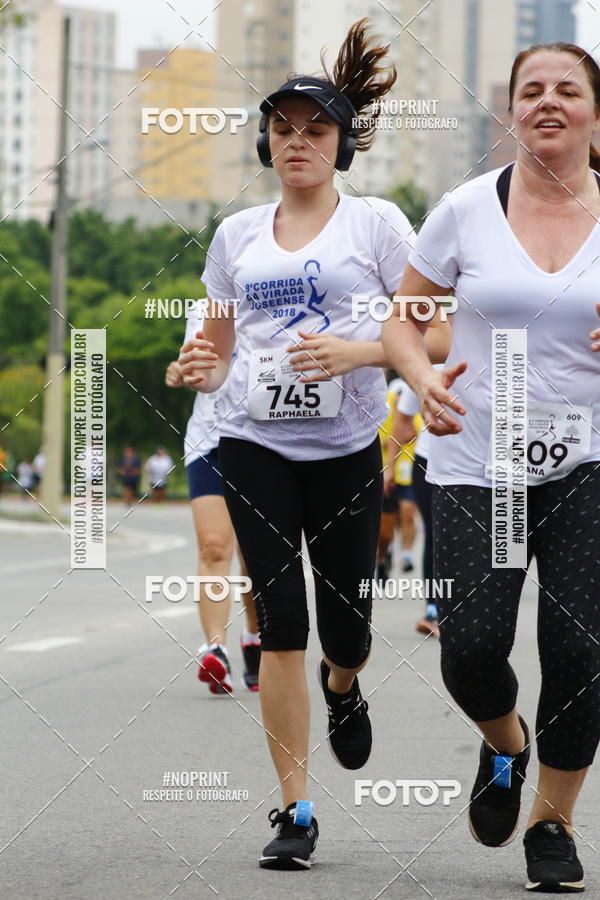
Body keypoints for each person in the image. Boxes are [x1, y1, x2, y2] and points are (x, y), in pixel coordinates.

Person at [178, 17, 449, 871]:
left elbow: (433, 335)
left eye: (316, 129)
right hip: (251, 445)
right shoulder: (236, 238)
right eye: (283, 128)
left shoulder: (375, 226)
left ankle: (347, 682)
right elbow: (218, 354)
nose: (297, 141)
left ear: (341, 145)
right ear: (266, 143)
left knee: (347, 630)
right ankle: (296, 808)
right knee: (281, 630)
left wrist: (362, 351)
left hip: (344, 448)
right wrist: (200, 364)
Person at [383, 41, 600, 895]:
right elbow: (405, 320)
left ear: (594, 110)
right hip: (478, 461)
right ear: (511, 110)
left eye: (568, 90)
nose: (548, 102)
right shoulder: (465, 209)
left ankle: (553, 825)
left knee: (581, 650)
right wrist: (421, 374)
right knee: (472, 647)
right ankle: (507, 743)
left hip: (586, 460)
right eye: (530, 91)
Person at [166, 307, 261, 695]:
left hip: (263, 440)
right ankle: (215, 649)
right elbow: (195, 363)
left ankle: (254, 637)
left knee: (255, 554)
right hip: (209, 439)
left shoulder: (278, 292)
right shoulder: (204, 309)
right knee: (214, 544)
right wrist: (180, 370)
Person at [396, 370, 444, 638]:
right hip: (429, 461)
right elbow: (402, 420)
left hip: (484, 464)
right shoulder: (420, 360)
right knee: (435, 534)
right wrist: (390, 468)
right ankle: (433, 609)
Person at [377, 377, 419, 579]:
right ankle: (385, 555)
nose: (400, 401)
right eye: (397, 397)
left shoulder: (414, 414)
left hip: (408, 473)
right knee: (385, 526)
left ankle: (408, 554)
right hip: (386, 473)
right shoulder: (382, 415)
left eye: (404, 397)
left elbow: (414, 432)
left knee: (408, 512)